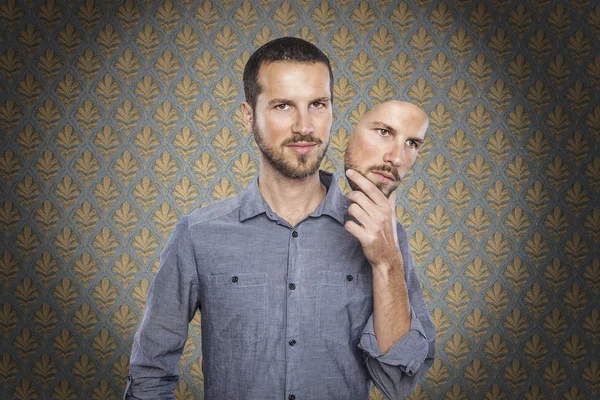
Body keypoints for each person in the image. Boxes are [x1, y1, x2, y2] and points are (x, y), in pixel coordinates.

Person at [125, 38, 434, 400]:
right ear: (248, 116)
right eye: (283, 106)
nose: (304, 126)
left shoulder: (383, 234)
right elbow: (149, 374)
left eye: (318, 104)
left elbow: (398, 382)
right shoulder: (198, 234)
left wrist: (387, 264)